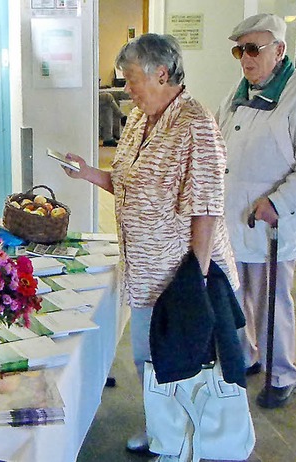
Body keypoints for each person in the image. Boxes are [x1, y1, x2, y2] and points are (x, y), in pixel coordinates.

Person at [62, 34, 239, 460]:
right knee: (147, 358)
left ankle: (190, 439)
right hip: (144, 271)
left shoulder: (196, 123)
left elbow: (207, 207)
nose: (126, 89)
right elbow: (125, 182)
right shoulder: (141, 120)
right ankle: (161, 431)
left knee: (185, 361)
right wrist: (88, 173)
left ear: (163, 73)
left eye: (132, 79)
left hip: (181, 273)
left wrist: (194, 280)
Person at [217, 13, 296, 408]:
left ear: (278, 51)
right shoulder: (241, 90)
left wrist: (279, 202)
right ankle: (249, 355)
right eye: (239, 50)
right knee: (237, 294)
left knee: (271, 300)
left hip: (272, 219)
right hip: (234, 217)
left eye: (252, 49)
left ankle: (282, 373)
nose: (244, 59)